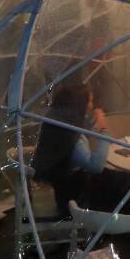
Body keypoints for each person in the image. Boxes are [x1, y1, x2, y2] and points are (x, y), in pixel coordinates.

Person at [31, 81, 110, 216]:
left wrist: (93, 121)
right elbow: (95, 166)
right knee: (113, 180)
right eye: (89, 101)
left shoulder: (59, 119)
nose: (91, 105)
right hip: (73, 197)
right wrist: (104, 131)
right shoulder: (68, 133)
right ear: (79, 104)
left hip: (62, 186)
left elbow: (80, 138)